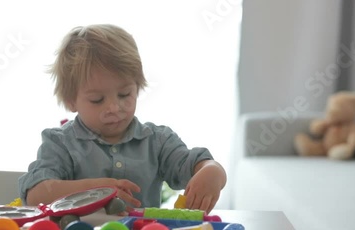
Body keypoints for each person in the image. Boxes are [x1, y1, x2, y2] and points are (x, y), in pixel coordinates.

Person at [18, 24, 226, 213]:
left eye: (125, 94)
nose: (114, 108)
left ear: (137, 87)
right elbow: (35, 195)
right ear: (72, 101)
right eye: (97, 100)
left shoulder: (157, 141)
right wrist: (97, 190)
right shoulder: (61, 143)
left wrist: (212, 170)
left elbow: (194, 165)